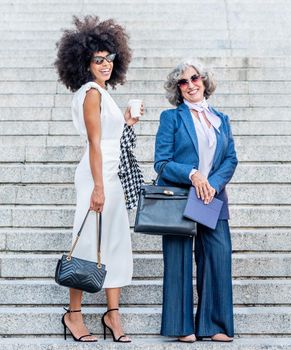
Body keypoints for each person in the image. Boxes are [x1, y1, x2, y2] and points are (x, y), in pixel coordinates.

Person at [54, 15, 143, 343]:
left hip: (111, 172)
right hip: (97, 175)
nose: (106, 64)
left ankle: (112, 314)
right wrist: (99, 187)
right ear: (85, 62)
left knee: (116, 242)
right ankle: (73, 315)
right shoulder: (91, 93)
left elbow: (111, 138)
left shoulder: (103, 93)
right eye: (98, 59)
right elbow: (94, 142)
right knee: (88, 243)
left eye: (110, 58)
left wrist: (128, 121)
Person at [154, 60, 238, 342]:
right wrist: (193, 175)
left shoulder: (221, 119)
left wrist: (212, 184)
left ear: (204, 81)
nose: (191, 85)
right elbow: (162, 163)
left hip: (211, 197)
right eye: (183, 82)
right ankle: (182, 327)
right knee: (178, 259)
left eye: (195, 78)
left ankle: (213, 325)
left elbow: (230, 158)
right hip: (180, 196)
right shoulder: (171, 118)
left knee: (218, 256)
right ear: (178, 89)